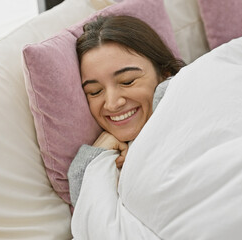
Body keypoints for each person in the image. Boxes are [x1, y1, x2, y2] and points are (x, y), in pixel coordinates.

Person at [68, 15, 185, 207]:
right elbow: (90, 219)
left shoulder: (187, 91)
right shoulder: (111, 163)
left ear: (164, 73)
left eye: (127, 81)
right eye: (95, 91)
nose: (113, 104)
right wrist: (94, 156)